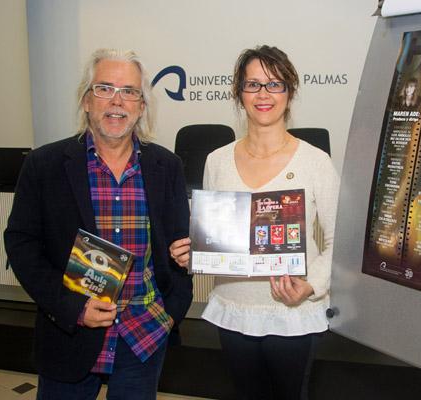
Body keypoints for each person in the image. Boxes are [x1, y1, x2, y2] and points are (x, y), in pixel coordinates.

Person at [4, 48, 193, 399]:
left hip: (144, 331)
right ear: (86, 101)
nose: (117, 101)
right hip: (70, 332)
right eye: (104, 88)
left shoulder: (167, 166)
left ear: (141, 106)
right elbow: (21, 244)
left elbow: (181, 249)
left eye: (129, 92)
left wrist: (172, 312)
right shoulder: (44, 165)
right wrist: (72, 309)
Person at [170, 45, 339, 399]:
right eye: (253, 85)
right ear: (238, 93)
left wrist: (312, 286)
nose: (264, 95)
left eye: (275, 84)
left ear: (289, 93)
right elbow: (218, 233)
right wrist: (193, 251)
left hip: (292, 313)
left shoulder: (315, 161)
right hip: (234, 310)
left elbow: (341, 242)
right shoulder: (217, 161)